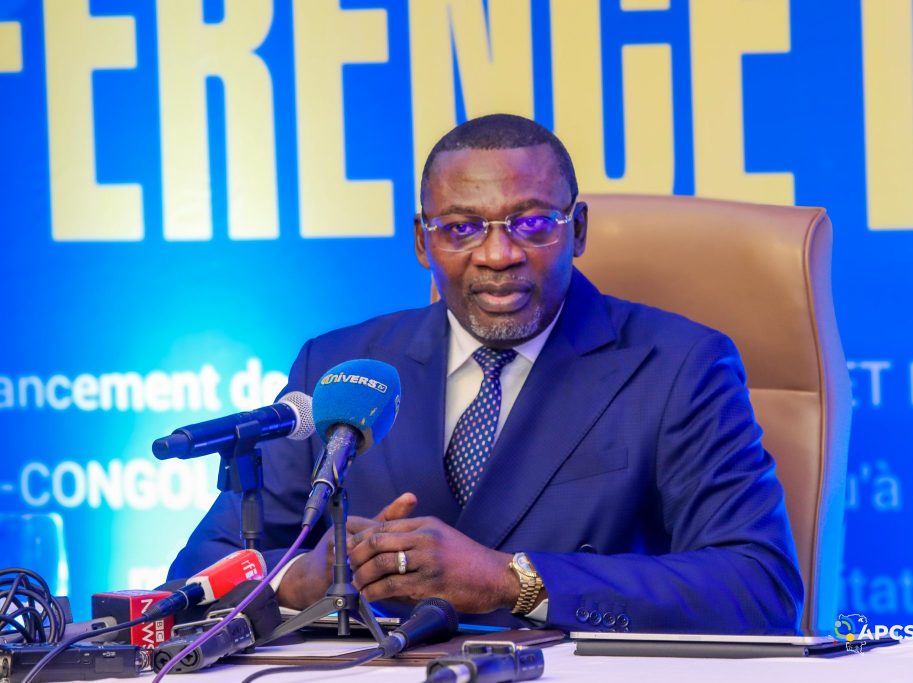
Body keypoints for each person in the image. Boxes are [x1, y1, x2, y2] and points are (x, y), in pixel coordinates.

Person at [169, 114, 803, 634]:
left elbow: (760, 587)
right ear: (423, 242)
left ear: (578, 230)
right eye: (462, 228)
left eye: (532, 223)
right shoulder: (342, 367)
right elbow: (197, 572)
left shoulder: (679, 367)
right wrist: (301, 580)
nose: (498, 255)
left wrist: (512, 580)